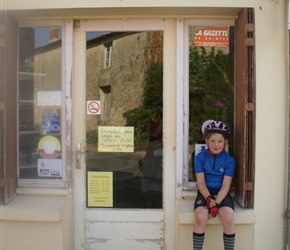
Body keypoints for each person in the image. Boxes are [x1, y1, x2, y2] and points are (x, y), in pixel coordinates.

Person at [193, 120, 235, 250]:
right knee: (200, 217)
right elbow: (201, 182)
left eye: (220, 141)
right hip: (205, 192)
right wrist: (208, 199)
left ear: (225, 143)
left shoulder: (229, 160)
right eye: (212, 141)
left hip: (221, 193)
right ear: (206, 142)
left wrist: (216, 203)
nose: (216, 144)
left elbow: (225, 186)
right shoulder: (200, 157)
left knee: (228, 218)